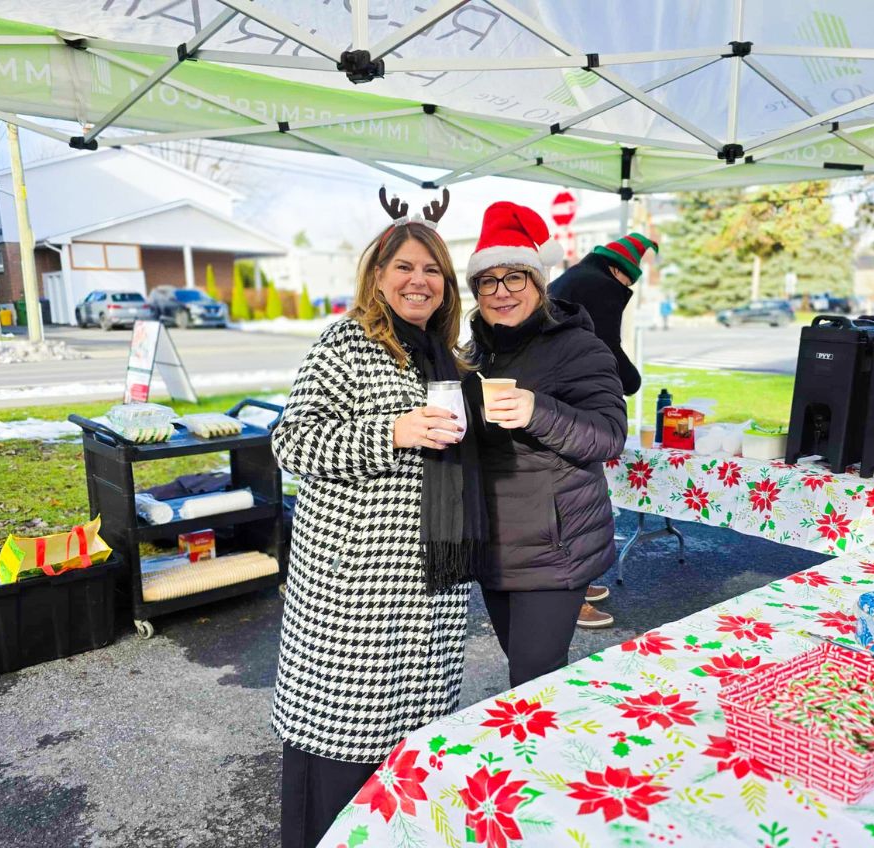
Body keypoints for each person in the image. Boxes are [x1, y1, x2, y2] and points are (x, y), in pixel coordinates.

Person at [270, 188, 486, 848]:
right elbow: (293, 442)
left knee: (407, 744)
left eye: (432, 271)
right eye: (405, 268)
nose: (419, 281)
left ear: (446, 287)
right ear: (378, 276)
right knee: (342, 739)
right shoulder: (347, 344)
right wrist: (390, 431)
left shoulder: (451, 358)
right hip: (358, 583)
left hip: (435, 571)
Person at [465, 200, 627, 686]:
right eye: (488, 281)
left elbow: (608, 434)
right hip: (492, 547)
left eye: (515, 277)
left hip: (555, 551)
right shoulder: (475, 353)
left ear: (538, 283)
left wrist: (538, 411)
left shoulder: (578, 346)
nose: (501, 292)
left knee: (534, 679)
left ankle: (551, 761)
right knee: (523, 672)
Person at [549, 231, 659, 628]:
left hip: (555, 400)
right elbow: (606, 346)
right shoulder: (601, 287)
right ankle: (569, 595)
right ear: (616, 270)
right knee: (575, 506)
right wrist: (631, 381)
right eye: (630, 279)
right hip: (571, 409)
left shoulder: (574, 279)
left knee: (572, 503)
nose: (628, 287)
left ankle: (577, 583)